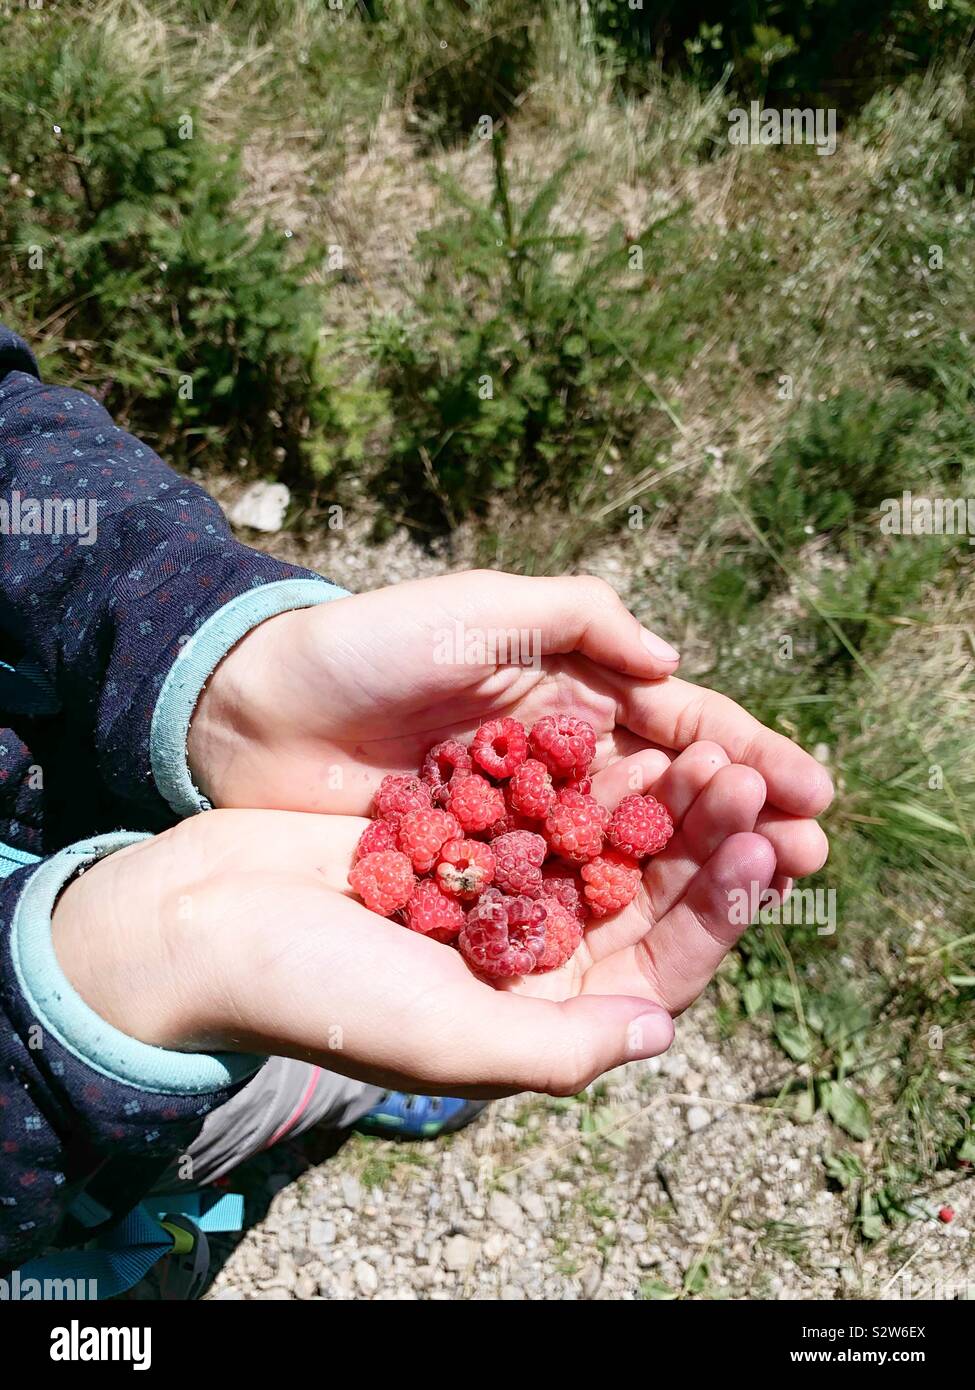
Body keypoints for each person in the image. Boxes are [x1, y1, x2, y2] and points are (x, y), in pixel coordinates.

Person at [0, 320, 832, 1282]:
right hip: (48, 1148)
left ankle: (331, 1087)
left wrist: (221, 664)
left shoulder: (476, 828)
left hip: (123, 809)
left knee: (296, 1067)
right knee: (157, 1211)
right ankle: (314, 1091)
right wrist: (105, 980)